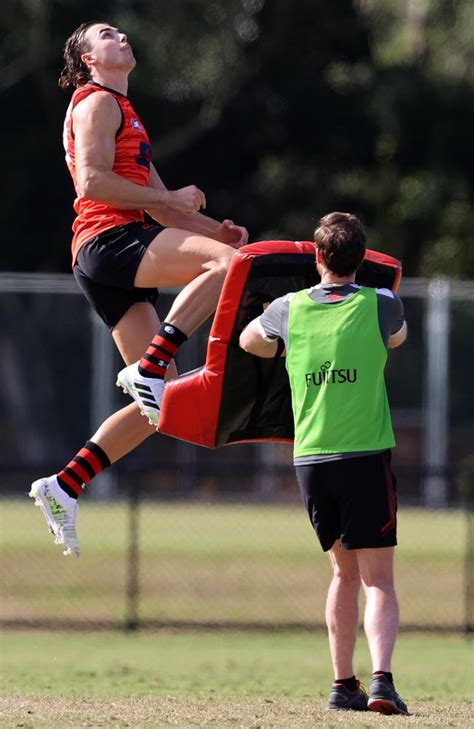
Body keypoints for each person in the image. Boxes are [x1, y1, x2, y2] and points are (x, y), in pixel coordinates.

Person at [29, 21, 248, 557]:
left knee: (165, 405)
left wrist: (214, 228)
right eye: (106, 35)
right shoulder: (98, 102)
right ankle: (149, 367)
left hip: (105, 249)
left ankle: (64, 485)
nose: (121, 38)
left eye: (122, 33)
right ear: (86, 59)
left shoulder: (122, 110)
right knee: (230, 267)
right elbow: (92, 182)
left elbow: (158, 203)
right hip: (110, 239)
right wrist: (200, 224)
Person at [239, 212, 409, 716]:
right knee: (378, 578)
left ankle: (341, 685)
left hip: (312, 457)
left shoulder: (289, 310)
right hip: (365, 454)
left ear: (317, 259)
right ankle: (380, 683)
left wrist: (273, 319)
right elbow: (396, 339)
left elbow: (249, 341)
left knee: (343, 573)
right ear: (362, 259)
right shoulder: (382, 303)